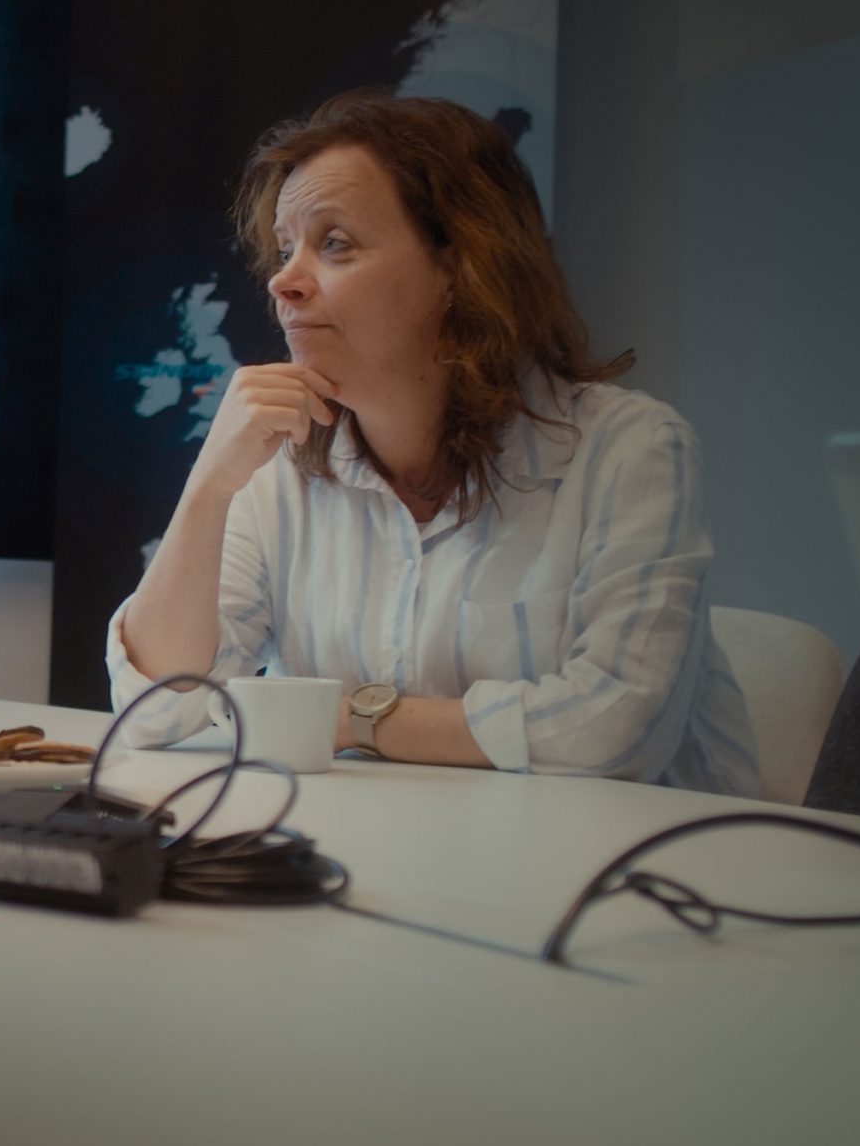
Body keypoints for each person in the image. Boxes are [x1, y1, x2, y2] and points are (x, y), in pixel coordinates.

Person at [111, 90, 758, 796]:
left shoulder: (629, 449)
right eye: (285, 247)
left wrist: (356, 720)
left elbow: (613, 729)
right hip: (395, 864)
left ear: (459, 266)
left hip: (649, 883)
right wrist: (209, 486)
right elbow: (154, 710)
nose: (283, 281)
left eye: (334, 243)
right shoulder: (280, 466)